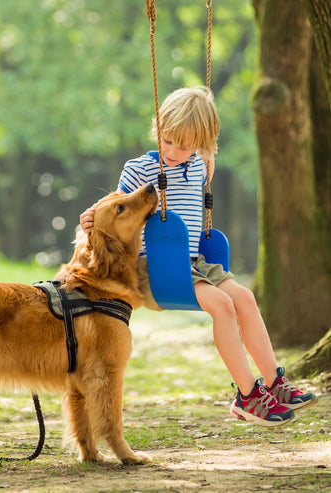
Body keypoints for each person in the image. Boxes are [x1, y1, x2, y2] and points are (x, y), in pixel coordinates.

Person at [80, 86, 317, 427]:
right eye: (168, 140)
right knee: (222, 306)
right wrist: (89, 217)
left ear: (202, 144)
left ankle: (274, 383)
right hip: (156, 269)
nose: (174, 151)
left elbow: (208, 145)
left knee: (245, 300)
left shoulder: (202, 165)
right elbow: (114, 207)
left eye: (186, 144)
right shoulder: (140, 169)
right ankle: (248, 396)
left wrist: (205, 126)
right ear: (157, 130)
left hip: (194, 264)